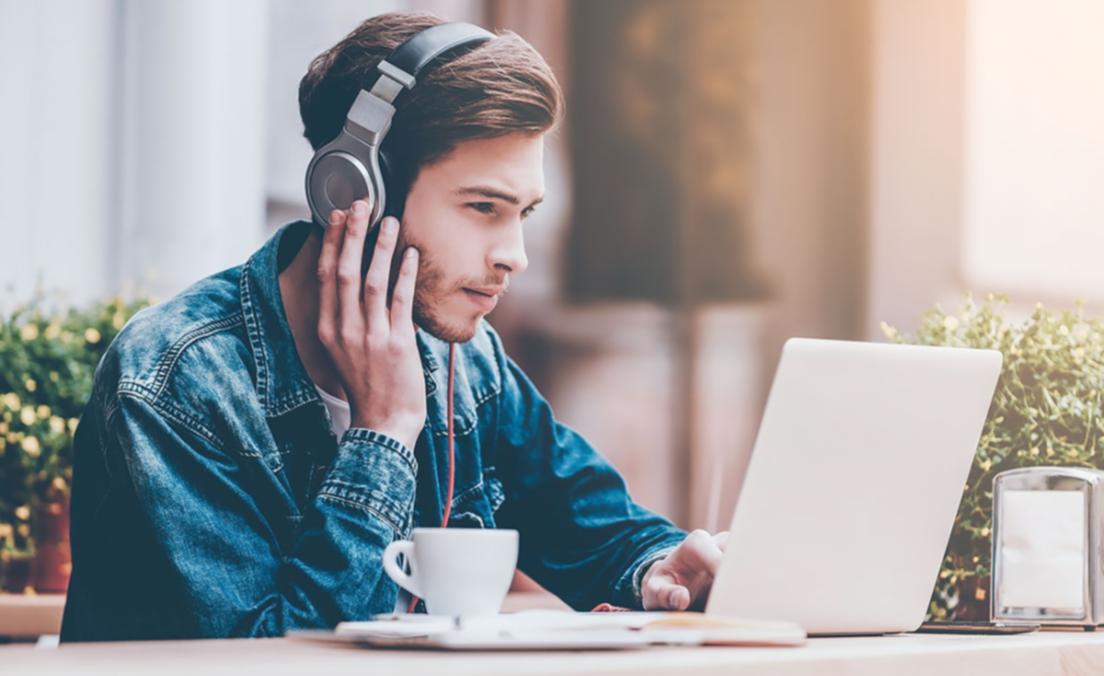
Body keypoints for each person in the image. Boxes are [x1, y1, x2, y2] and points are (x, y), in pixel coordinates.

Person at [60, 12, 727, 641]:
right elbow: (262, 661)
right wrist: (382, 434)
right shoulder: (173, 388)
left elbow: (594, 528)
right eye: (483, 207)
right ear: (353, 194)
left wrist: (656, 570)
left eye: (522, 213)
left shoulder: (466, 362)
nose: (513, 256)